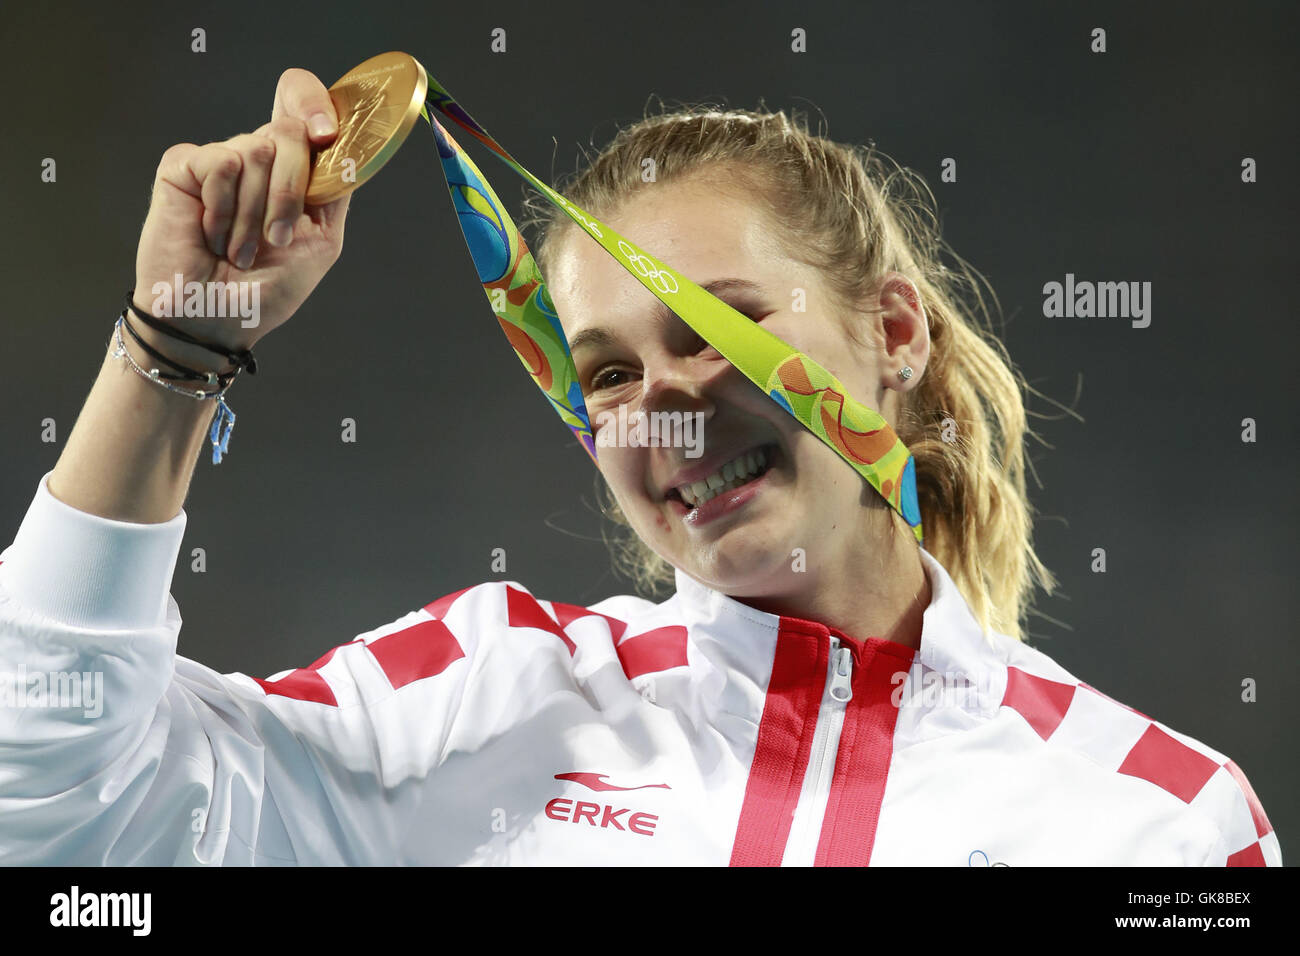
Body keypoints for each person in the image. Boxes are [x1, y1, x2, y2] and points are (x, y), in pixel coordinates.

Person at [0, 68, 1279, 867]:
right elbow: (49, 815)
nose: (662, 399)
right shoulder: (482, 700)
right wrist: (173, 344)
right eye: (607, 372)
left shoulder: (1158, 818)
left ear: (892, 334)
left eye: (717, 323)